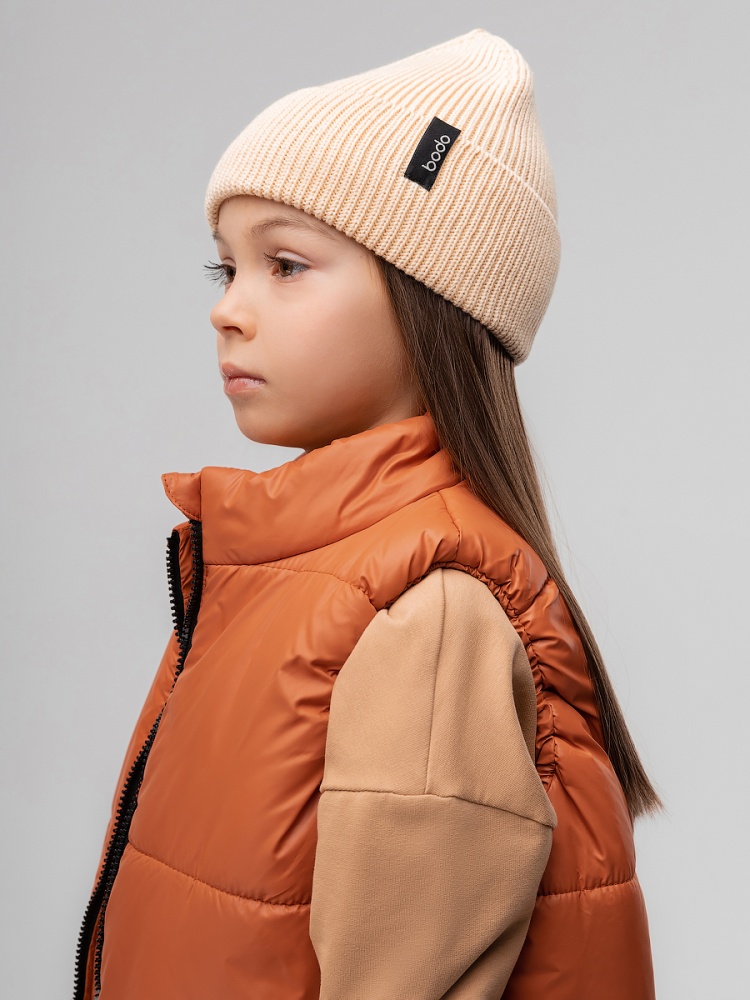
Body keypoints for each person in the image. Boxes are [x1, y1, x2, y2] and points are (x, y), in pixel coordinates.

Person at [74, 27, 663, 1000]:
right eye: (226, 269)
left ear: (429, 298)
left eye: (285, 264)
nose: (228, 309)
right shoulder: (291, 568)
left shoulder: (426, 616)